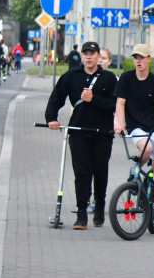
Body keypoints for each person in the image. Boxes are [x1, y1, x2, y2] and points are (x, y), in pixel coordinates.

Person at [45, 41, 118, 229]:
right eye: (85, 53)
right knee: (82, 172)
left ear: (98, 57)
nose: (88, 56)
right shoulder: (72, 76)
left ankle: (100, 207)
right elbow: (56, 97)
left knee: (100, 171)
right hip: (78, 131)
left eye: (92, 53)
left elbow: (115, 105)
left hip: (102, 133)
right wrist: (51, 118)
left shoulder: (108, 78)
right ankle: (81, 214)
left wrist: (94, 99)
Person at [114, 43, 154, 191]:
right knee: (146, 148)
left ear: (149, 59)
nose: (138, 61)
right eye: (135, 57)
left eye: (141, 57)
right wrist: (120, 124)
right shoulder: (126, 78)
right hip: (136, 126)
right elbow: (120, 103)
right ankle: (135, 169)